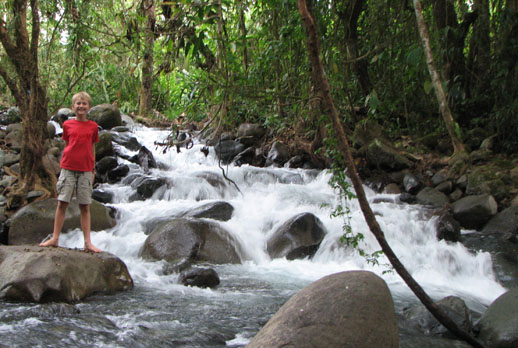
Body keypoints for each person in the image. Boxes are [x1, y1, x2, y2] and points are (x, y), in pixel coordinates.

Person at [40, 91, 102, 253]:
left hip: (86, 169)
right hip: (68, 168)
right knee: (62, 203)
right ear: (73, 107)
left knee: (85, 206)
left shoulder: (93, 127)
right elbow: (67, 144)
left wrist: (93, 168)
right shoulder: (67, 125)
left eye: (84, 104)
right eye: (78, 104)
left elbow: (92, 146)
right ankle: (55, 238)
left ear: (89, 107)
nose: (81, 106)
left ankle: (87, 242)